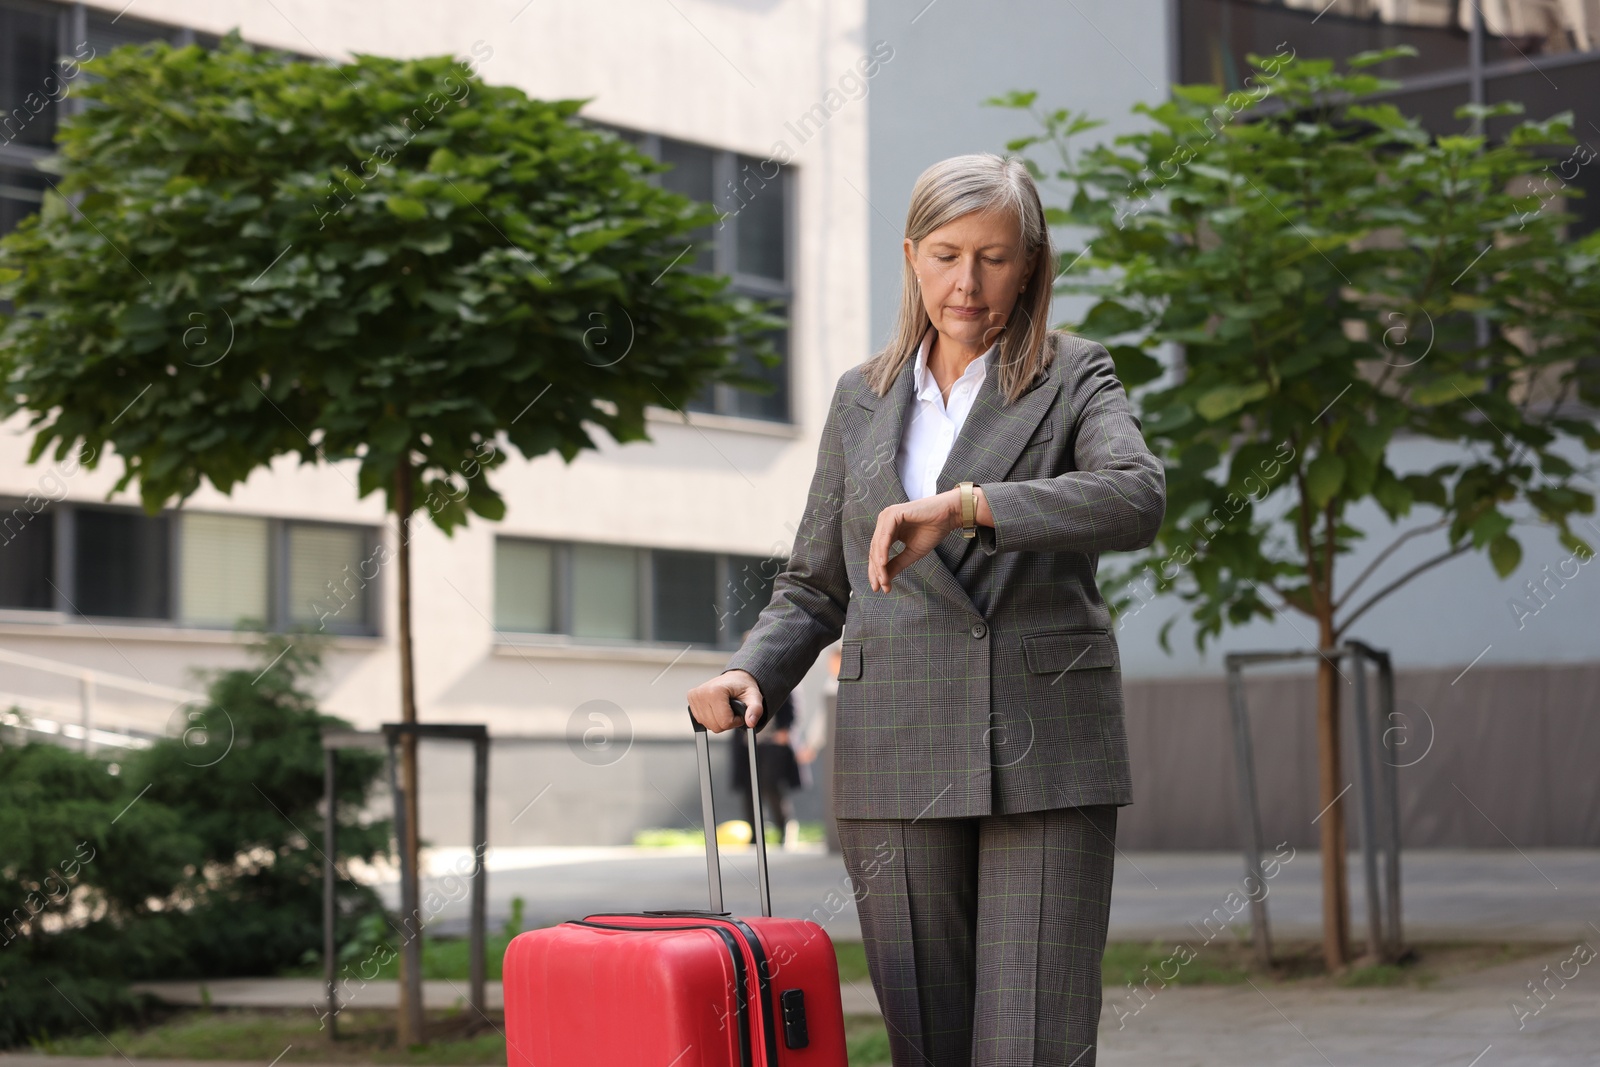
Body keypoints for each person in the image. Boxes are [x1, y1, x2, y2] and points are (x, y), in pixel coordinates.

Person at [688, 152, 1165, 1066]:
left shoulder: (1074, 376)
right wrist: (753, 668)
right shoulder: (861, 397)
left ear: (1030, 263)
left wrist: (972, 505)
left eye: (994, 257)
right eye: (947, 254)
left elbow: (1135, 496)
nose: (968, 283)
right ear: (913, 256)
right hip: (896, 741)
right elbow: (815, 582)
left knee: (1032, 1043)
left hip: (1043, 747)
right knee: (926, 1044)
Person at [729, 690, 803, 847]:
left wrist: (786, 730)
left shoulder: (776, 674)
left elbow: (790, 703)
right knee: (749, 789)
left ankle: (784, 828)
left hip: (772, 742)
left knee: (771, 785)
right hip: (746, 743)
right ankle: (755, 833)